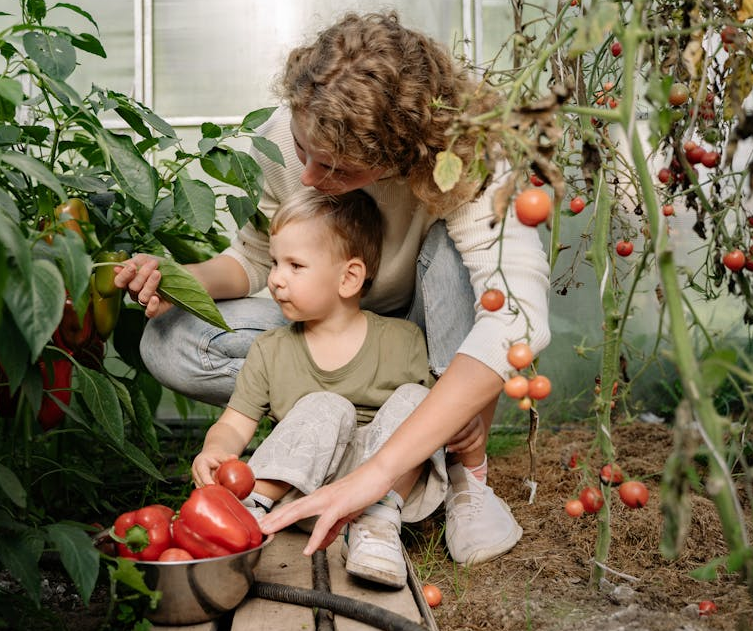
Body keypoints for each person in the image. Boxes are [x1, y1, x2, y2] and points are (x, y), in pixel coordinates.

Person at [114, 11, 550, 564]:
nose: (313, 181)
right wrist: (177, 279)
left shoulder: (468, 157)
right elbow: (253, 260)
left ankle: (462, 472)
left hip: (423, 339)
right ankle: (335, 430)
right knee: (170, 338)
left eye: (341, 170)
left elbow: (518, 317)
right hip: (326, 323)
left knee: (463, 267)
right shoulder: (284, 136)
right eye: (304, 153)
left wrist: (378, 474)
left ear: (401, 156)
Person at [190, 187, 446, 588]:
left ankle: (377, 527)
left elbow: (436, 427)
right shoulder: (270, 349)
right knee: (329, 406)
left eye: (295, 265)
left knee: (421, 401)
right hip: (299, 490)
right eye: (275, 263)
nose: (275, 279)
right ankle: (253, 508)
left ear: (348, 278)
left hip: (378, 491)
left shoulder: (403, 341)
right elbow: (235, 424)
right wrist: (215, 451)